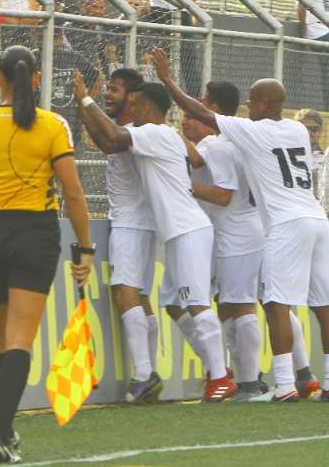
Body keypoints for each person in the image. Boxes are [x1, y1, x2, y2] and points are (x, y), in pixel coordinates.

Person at [151, 47, 329, 402]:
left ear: (267, 105)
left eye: (254, 101)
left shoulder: (252, 132)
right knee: (323, 306)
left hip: (284, 224)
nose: (249, 107)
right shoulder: (298, 131)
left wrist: (166, 80)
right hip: (315, 218)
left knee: (273, 305)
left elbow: (201, 114)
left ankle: (283, 385)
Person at [0, 45, 92, 465]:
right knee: (22, 338)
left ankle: (2, 431)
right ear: (36, 80)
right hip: (35, 234)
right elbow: (73, 192)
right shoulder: (52, 125)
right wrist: (86, 246)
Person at [73, 72, 237, 403]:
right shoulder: (166, 135)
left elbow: (112, 137)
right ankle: (212, 371)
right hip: (179, 230)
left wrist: (85, 100)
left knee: (195, 303)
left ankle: (219, 377)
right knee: (173, 302)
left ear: (145, 106)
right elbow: (196, 158)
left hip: (186, 229)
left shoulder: (151, 133)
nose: (131, 109)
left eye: (134, 102)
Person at [181, 80, 271, 401]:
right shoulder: (241, 141)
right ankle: (241, 374)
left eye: (200, 104)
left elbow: (222, 195)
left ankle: (248, 380)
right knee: (232, 304)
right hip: (241, 230)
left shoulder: (218, 145)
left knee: (240, 302)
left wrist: (184, 188)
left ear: (213, 109)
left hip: (236, 233)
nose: (192, 112)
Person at [80, 67, 162, 403]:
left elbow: (110, 140)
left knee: (125, 291)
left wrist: (85, 100)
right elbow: (104, 143)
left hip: (131, 222)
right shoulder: (129, 132)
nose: (108, 95)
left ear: (133, 98)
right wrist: (83, 107)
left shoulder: (132, 132)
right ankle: (151, 372)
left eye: (114, 90)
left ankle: (144, 374)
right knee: (140, 295)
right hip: (143, 221)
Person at [295, 107, 326, 198]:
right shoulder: (286, 157)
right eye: (304, 129)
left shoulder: (326, 159)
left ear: (320, 131)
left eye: (314, 129)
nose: (309, 133)